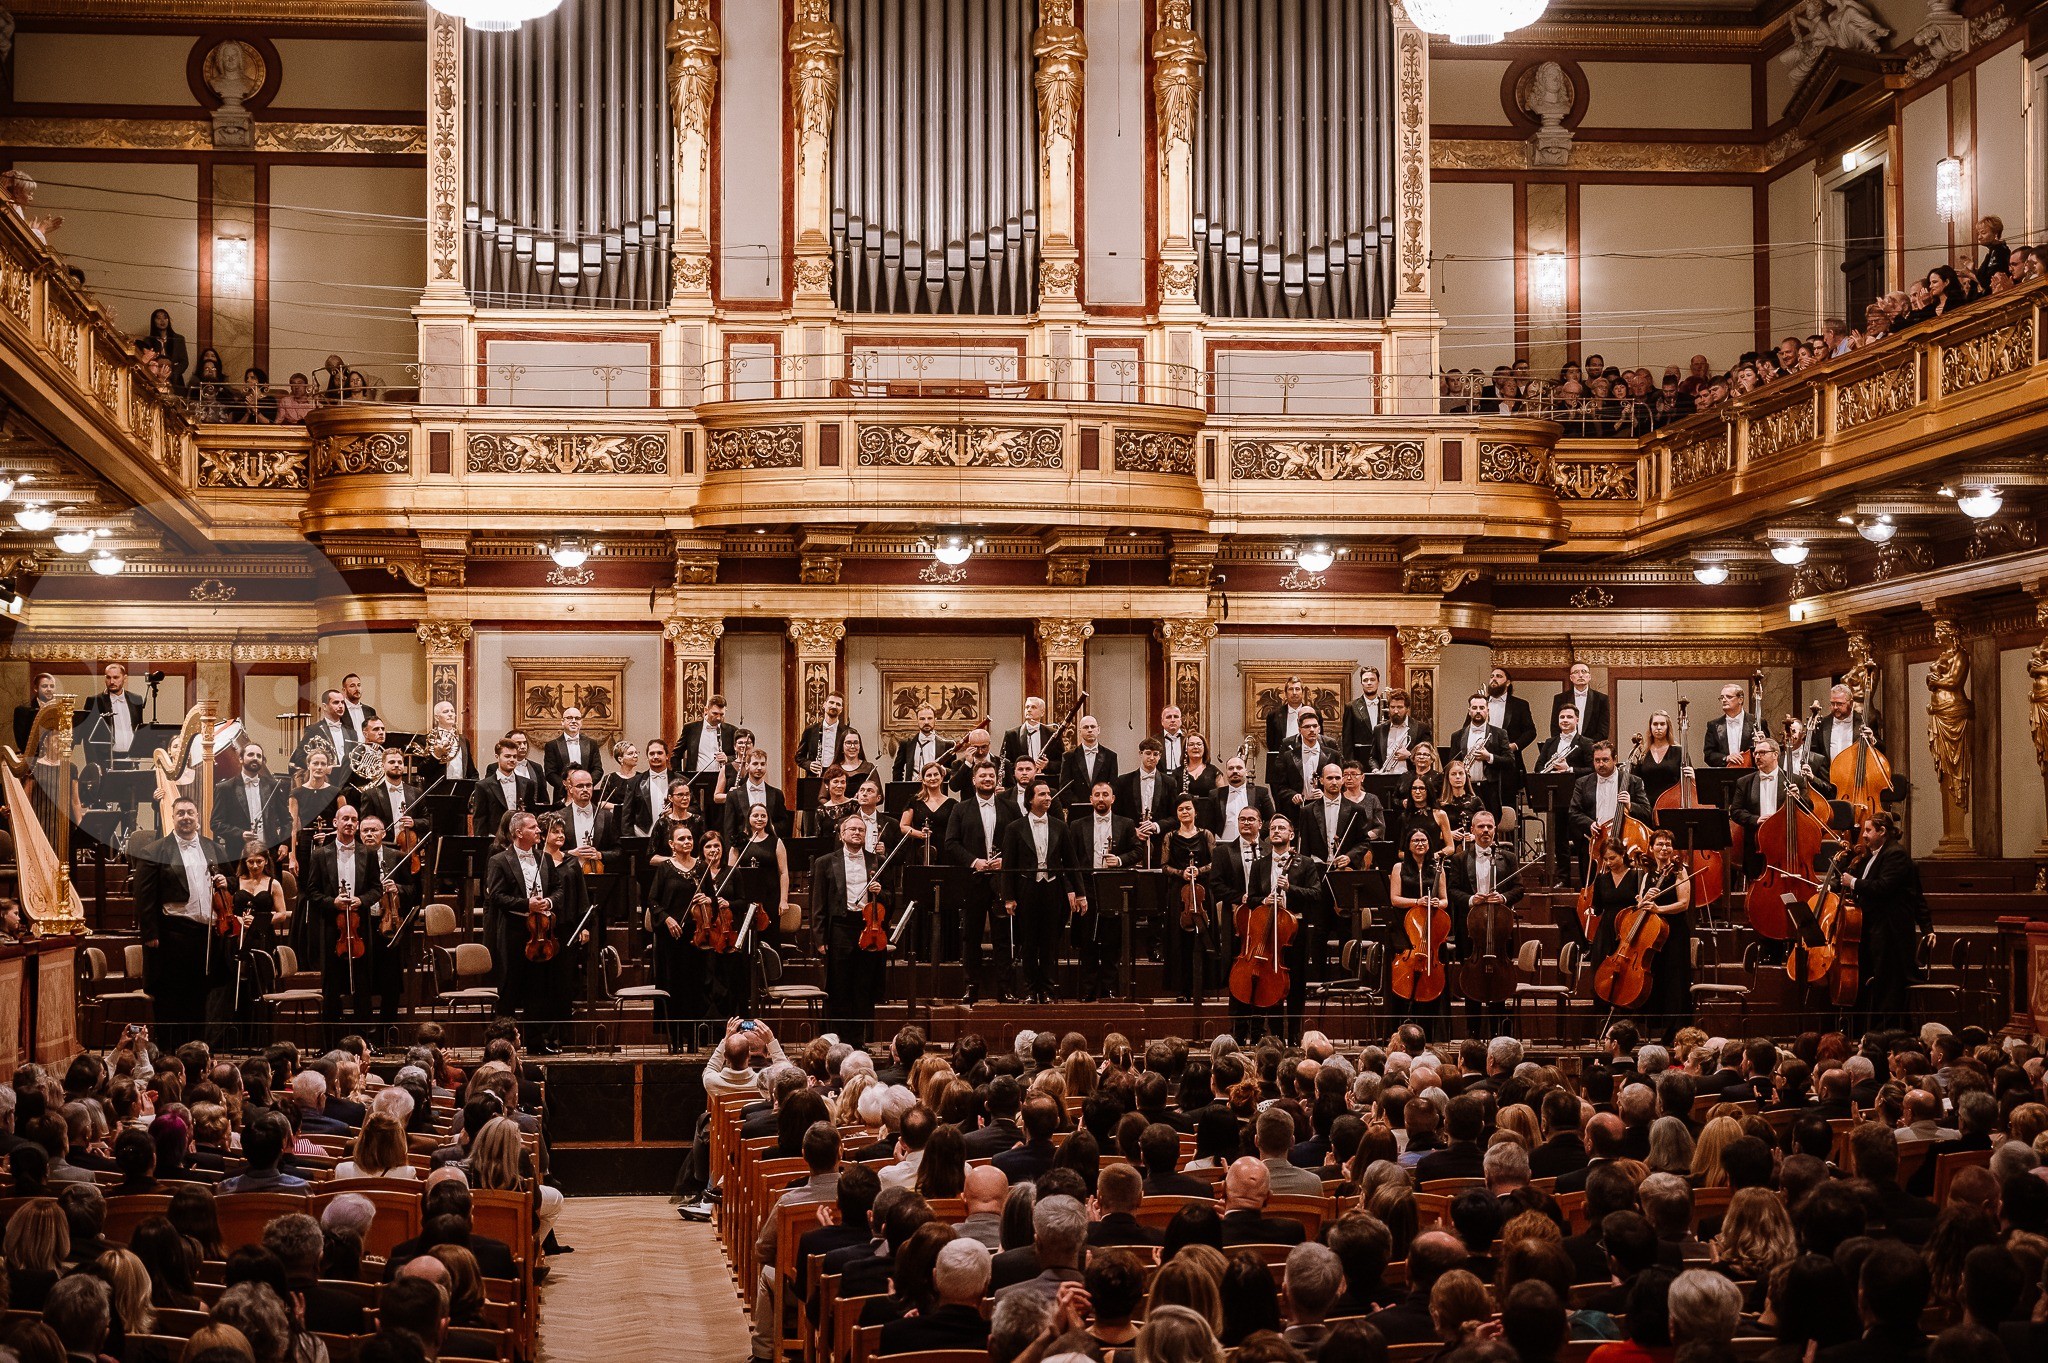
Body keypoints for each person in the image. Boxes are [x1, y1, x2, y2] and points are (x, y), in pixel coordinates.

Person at [127, 796, 231, 1045]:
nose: (186, 817)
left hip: (205, 936)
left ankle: (197, 1053)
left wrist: (227, 883)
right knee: (172, 998)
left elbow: (232, 883)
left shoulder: (213, 848)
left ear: (198, 818)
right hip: (173, 935)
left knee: (200, 996)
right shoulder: (155, 850)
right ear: (172, 818)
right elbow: (144, 896)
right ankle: (170, 1055)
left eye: (190, 813)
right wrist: (150, 934)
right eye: (180, 813)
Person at [1836, 813, 1928, 1032]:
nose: (1864, 835)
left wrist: (1854, 883)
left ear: (1882, 831)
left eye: (1868, 830)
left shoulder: (1896, 855)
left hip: (1890, 932)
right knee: (1880, 983)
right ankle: (1870, 1028)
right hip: (1875, 930)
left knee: (1889, 985)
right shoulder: (1873, 856)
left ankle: (1889, 1033)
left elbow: (1884, 887)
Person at [1001, 779, 1084, 1004]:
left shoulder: (1060, 826)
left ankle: (1047, 989)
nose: (1048, 798)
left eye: (1049, 794)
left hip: (1052, 889)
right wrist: (1008, 897)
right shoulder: (1014, 828)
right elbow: (1008, 865)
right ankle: (1030, 989)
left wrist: (1080, 892)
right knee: (1028, 943)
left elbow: (1071, 862)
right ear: (1030, 799)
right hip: (1026, 889)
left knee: (1049, 942)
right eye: (1042, 795)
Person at [813, 812, 886, 1045]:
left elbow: (890, 898)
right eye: (852, 829)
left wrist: (879, 892)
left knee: (863, 985)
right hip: (840, 927)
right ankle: (838, 1039)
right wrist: (820, 937)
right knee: (839, 986)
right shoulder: (825, 862)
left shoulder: (877, 860)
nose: (857, 832)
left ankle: (860, 1040)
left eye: (861, 830)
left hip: (868, 927)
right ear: (842, 834)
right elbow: (818, 903)